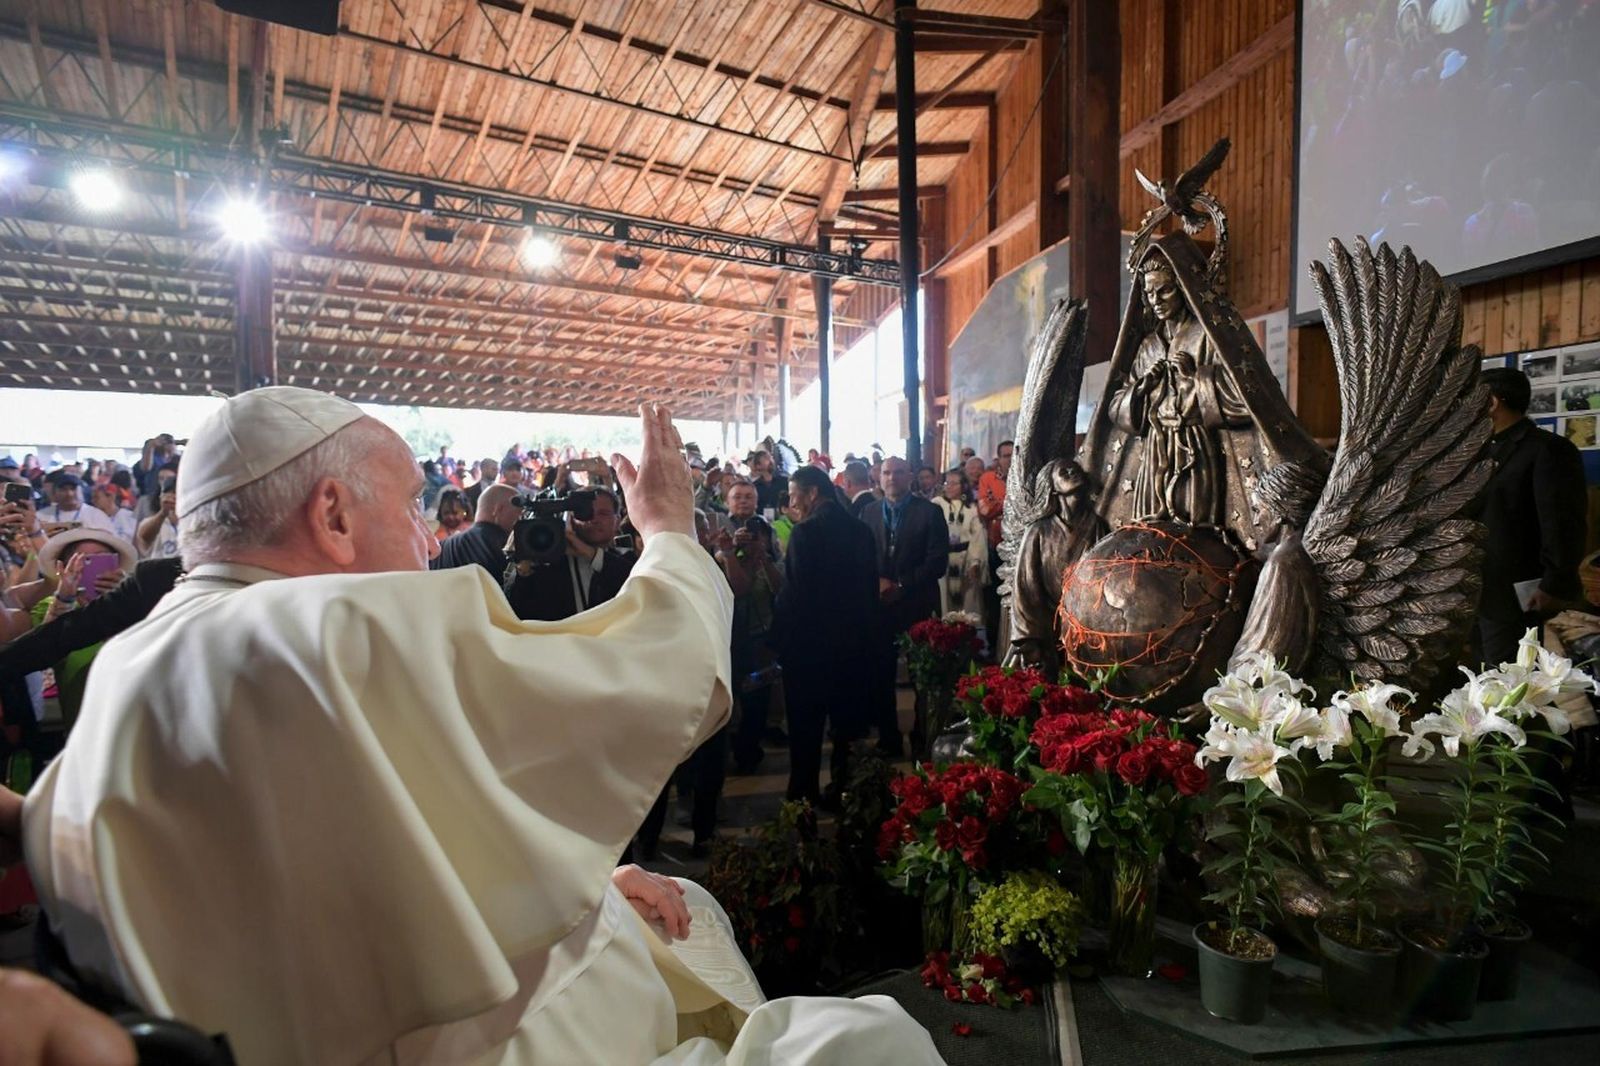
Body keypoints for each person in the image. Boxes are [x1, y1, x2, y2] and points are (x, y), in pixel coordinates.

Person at [22, 388, 940, 1065]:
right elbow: (652, 676)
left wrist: (587, 874)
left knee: (673, 911)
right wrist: (669, 533)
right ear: (333, 514)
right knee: (873, 1045)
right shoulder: (324, 629)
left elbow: (354, 858)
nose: (430, 537)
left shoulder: (133, 660)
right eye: (414, 502)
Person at [769, 465, 878, 805]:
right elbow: (869, 593)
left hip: (809, 651)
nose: (791, 503)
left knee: (806, 732)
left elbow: (795, 595)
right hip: (852, 649)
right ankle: (845, 794)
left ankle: (803, 798)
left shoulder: (805, 533)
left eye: (793, 495)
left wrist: (775, 642)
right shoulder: (861, 531)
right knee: (846, 730)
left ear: (812, 493)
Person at [1476, 368, 1589, 663]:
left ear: (1492, 403)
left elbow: (1564, 523)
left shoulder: (1548, 449)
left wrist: (1555, 583)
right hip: (1477, 590)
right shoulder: (1479, 451)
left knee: (1512, 684)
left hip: (1521, 593)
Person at [860, 457, 949, 756]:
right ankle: (889, 739)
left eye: (898, 472)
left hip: (916, 605)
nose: (892, 478)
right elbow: (860, 558)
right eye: (886, 472)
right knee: (880, 675)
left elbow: (937, 561)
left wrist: (902, 585)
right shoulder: (868, 512)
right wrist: (878, 582)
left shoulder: (930, 512)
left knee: (921, 676)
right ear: (878, 477)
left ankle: (923, 738)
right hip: (880, 607)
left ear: (909, 476)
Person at [504, 487, 635, 622]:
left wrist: (591, 554)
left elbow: (634, 587)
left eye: (603, 513)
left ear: (617, 520)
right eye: (585, 513)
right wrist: (523, 565)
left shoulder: (626, 560)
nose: (594, 519)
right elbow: (515, 608)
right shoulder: (547, 562)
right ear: (571, 520)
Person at [724, 517, 785, 777]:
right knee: (733, 703)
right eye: (748, 537)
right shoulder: (728, 560)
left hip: (761, 642)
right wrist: (737, 554)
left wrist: (763, 558)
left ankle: (749, 752)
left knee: (757, 703)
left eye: (758, 537)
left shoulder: (774, 562)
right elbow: (739, 589)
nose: (753, 542)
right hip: (731, 643)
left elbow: (780, 589)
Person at [432, 483, 519, 584]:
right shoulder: (502, 546)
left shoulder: (440, 547)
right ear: (498, 509)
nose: (520, 519)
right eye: (518, 512)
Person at [932, 469, 987, 619]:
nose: (948, 487)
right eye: (946, 483)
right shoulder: (936, 505)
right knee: (945, 602)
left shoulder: (971, 508)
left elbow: (977, 536)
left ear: (963, 486)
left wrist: (975, 562)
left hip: (965, 558)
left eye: (953, 483)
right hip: (943, 559)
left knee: (967, 603)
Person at [36, 474, 113, 534]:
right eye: (63, 489)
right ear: (54, 493)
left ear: (81, 491)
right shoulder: (41, 516)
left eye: (73, 489)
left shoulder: (96, 516)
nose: (69, 494)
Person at [133, 474, 179, 560]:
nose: (171, 497)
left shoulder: (193, 522)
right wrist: (163, 512)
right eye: (167, 492)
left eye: (175, 492)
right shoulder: (151, 522)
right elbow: (145, 537)